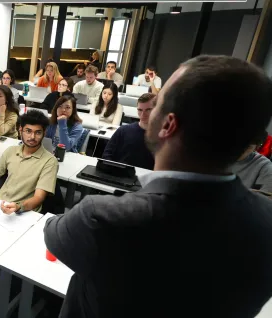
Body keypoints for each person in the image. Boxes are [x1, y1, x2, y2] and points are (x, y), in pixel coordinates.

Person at [44, 55, 272, 318]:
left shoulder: (104, 218)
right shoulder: (265, 223)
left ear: (167, 124)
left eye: (158, 103)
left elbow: (54, 233)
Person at [0, 110, 58, 213]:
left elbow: (38, 197)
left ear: (44, 133)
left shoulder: (50, 161)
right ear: (20, 130)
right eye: (28, 131)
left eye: (38, 132)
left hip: (24, 212)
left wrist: (19, 207)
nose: (32, 137)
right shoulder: (11, 151)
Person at [102, 93, 156, 170]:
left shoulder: (163, 136)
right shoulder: (123, 130)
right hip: (119, 175)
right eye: (140, 110)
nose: (143, 114)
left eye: (148, 110)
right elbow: (107, 155)